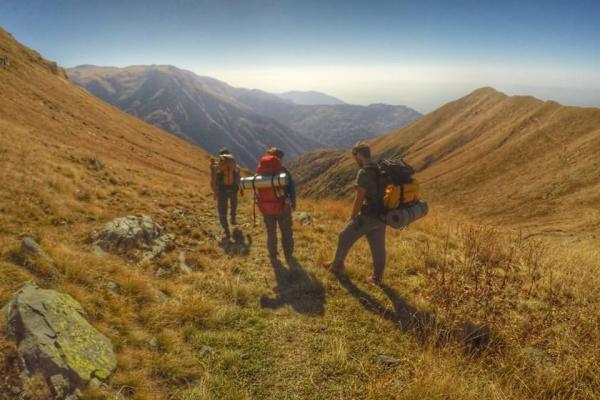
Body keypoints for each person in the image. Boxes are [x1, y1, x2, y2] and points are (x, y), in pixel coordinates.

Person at [322, 141, 387, 285]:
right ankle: (377, 278)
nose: (355, 159)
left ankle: (337, 267)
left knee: (344, 235)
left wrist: (352, 218)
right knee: (378, 248)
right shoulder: (378, 168)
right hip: (381, 216)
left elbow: (359, 198)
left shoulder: (364, 172)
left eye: (354, 156)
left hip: (368, 215)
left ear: (358, 155)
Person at [256, 147, 296, 261]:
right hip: (282, 207)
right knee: (286, 231)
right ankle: (288, 255)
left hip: (266, 208)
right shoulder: (283, 172)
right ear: (279, 159)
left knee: (271, 232)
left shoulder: (260, 172)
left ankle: (272, 254)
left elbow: (257, 189)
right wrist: (293, 204)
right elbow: (291, 189)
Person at [210, 148, 241, 239]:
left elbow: (213, 179)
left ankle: (225, 228)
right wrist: (239, 188)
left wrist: (215, 191)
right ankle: (233, 218)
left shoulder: (217, 167)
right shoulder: (235, 166)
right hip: (233, 189)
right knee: (233, 205)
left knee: (222, 209)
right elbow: (238, 177)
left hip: (222, 190)